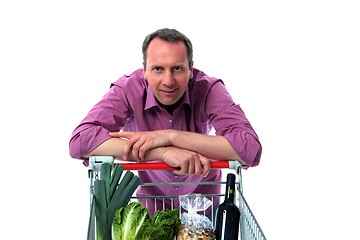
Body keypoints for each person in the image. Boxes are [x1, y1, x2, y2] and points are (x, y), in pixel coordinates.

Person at [69, 28, 262, 216]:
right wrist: (164, 152)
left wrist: (169, 136)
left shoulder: (209, 89)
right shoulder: (128, 89)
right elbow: (81, 141)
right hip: (152, 207)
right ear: (144, 70)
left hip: (203, 205)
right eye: (158, 69)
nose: (168, 81)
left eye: (177, 68)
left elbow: (249, 148)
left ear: (191, 69)